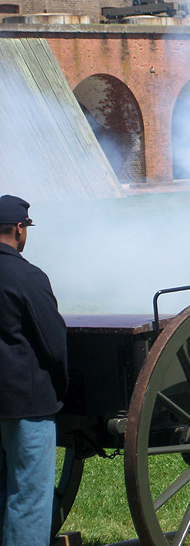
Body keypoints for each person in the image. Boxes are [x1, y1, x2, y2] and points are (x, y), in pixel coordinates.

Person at [0, 195, 68, 545]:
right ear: (19, 229)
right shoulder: (27, 277)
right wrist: (64, 386)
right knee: (28, 498)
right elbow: (54, 342)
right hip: (26, 404)